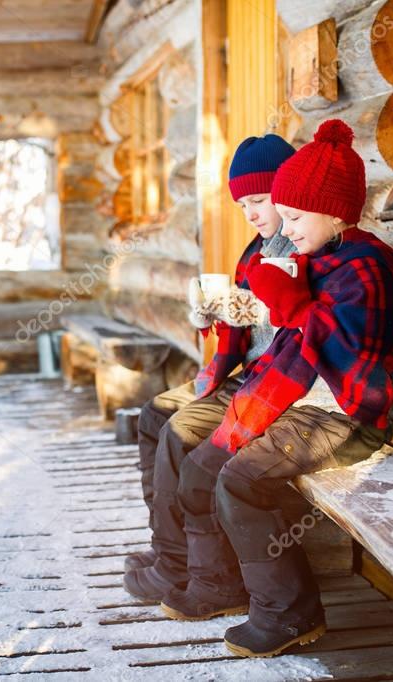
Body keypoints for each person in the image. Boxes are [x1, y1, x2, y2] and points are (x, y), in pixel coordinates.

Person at [167, 119, 393, 658]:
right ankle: (223, 585)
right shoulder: (318, 259)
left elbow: (349, 362)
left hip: (347, 419)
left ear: (337, 213)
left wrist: (295, 305)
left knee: (240, 481)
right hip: (300, 406)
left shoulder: (368, 267)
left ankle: (289, 612)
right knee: (207, 463)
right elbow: (285, 351)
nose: (286, 227)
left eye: (296, 216)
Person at [125, 133, 297, 601]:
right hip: (247, 374)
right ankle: (170, 551)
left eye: (260, 200)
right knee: (155, 415)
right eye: (243, 205)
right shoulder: (254, 250)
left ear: (288, 191)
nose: (252, 213)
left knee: (180, 433)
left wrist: (248, 307)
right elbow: (246, 329)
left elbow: (294, 325)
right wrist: (213, 314)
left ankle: (191, 569)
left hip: (278, 385)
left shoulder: (302, 245)